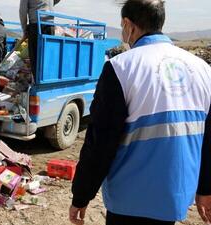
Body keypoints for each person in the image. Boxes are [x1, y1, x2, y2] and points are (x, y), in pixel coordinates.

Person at [69, 0, 211, 225]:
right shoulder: (203, 69)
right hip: (174, 197)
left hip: (130, 201)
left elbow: (100, 142)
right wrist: (205, 189)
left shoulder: (121, 67)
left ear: (128, 25)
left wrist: (81, 195)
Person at [19, 0, 60, 77]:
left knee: (35, 58)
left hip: (36, 26)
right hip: (50, 25)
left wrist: (25, 30)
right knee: (47, 56)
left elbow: (22, 11)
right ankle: (47, 79)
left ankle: (37, 82)